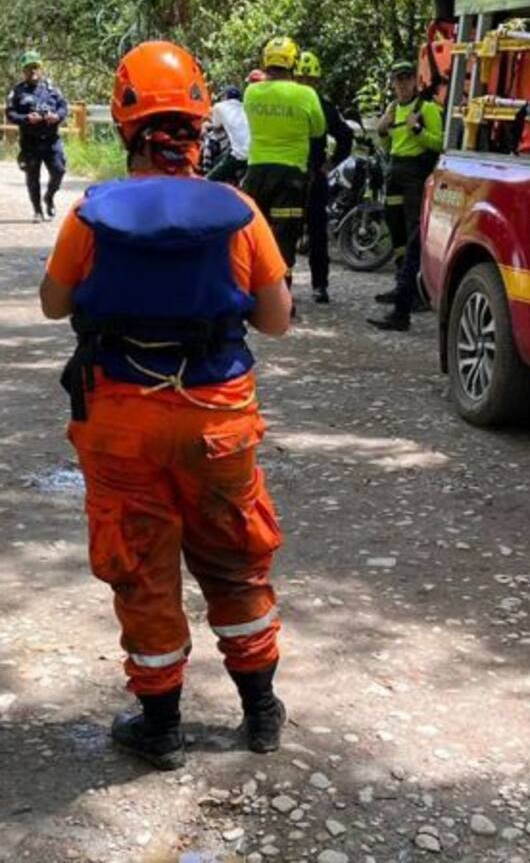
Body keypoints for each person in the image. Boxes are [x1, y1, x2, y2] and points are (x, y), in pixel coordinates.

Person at [39, 40, 293, 770]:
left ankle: (161, 726)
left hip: (121, 424)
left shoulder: (90, 215)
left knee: (142, 567)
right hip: (217, 421)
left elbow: (55, 306)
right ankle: (261, 713)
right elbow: (274, 321)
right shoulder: (239, 211)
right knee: (238, 562)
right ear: (199, 123)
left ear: (125, 124)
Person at [241, 37, 325, 300]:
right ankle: (281, 299)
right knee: (285, 239)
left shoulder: (251, 92)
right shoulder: (306, 94)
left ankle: (251, 294)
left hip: (256, 173)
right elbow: (319, 129)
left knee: (256, 234)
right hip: (290, 177)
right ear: (293, 61)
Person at [368, 62, 443, 332]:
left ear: (415, 81)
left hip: (415, 175)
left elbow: (439, 143)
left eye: (407, 78)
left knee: (413, 238)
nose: (402, 84)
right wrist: (383, 130)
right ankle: (403, 286)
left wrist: (418, 131)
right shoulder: (393, 108)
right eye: (398, 79)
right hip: (395, 171)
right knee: (397, 231)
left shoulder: (428, 108)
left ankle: (406, 301)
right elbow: (388, 145)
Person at [294, 51, 353, 303]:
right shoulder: (294, 104)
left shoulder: (325, 107)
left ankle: (320, 285)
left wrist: (330, 164)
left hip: (312, 176)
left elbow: (345, 136)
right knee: (289, 231)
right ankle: (282, 286)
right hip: (295, 174)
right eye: (302, 79)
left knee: (317, 233)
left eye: (309, 80)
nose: (305, 84)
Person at [6, 49, 68, 221]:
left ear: (40, 68)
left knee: (59, 170)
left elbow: (64, 107)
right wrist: (26, 118)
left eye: (35, 67)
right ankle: (38, 210)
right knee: (33, 177)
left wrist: (57, 116)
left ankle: (49, 197)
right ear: (23, 71)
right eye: (28, 68)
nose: (32, 71)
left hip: (51, 141)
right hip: (30, 142)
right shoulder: (17, 92)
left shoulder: (52, 89)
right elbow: (10, 114)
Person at [206, 85, 251, 184]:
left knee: (209, 179)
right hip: (254, 154)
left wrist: (206, 126)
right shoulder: (245, 107)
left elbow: (217, 127)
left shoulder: (218, 106)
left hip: (239, 155)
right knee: (222, 157)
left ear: (225, 97)